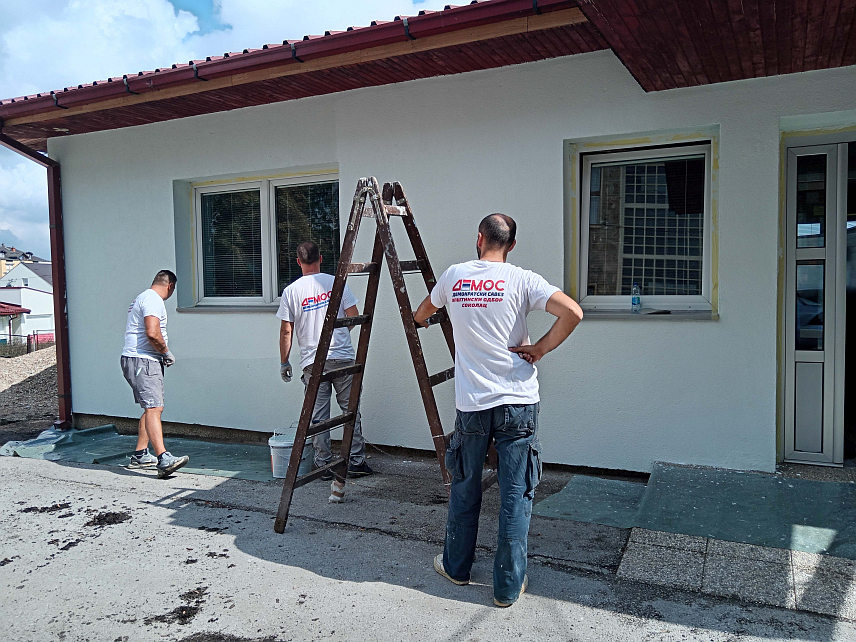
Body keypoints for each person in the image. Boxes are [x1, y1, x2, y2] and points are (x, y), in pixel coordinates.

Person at [414, 213, 583, 607]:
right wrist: (538, 348)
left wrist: (440, 313)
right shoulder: (523, 279)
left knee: (465, 484)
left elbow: (421, 314)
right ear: (511, 245)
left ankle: (456, 568)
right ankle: (507, 588)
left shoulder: (455, 276)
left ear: (479, 239)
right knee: (515, 492)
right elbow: (572, 312)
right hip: (518, 402)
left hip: (472, 404)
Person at [277, 241, 373, 478]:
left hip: (313, 361)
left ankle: (324, 464)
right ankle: (356, 461)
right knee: (350, 410)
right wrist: (338, 340)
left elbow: (286, 331)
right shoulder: (336, 282)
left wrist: (284, 362)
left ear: (298, 262)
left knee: (319, 416)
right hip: (342, 358)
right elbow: (354, 317)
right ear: (320, 258)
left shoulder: (291, 291)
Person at [120, 270, 189, 478]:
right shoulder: (153, 299)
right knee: (154, 407)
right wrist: (166, 352)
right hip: (144, 360)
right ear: (170, 286)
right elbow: (152, 332)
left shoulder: (143, 297)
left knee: (150, 407)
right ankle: (163, 458)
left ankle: (141, 454)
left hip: (139, 359)